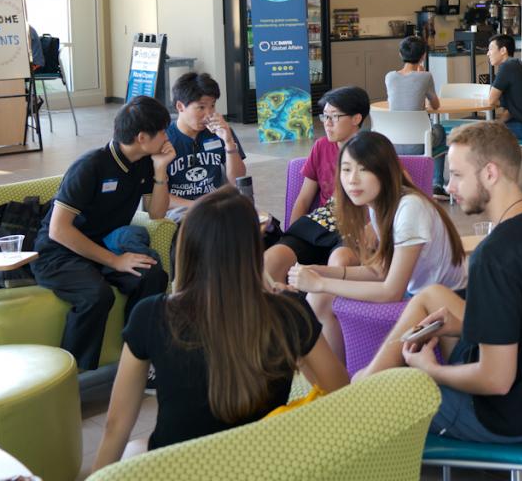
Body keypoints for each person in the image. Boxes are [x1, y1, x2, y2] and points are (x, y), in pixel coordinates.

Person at [354, 122, 522, 445]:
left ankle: (355, 403)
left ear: (490, 173)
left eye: (457, 175)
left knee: (376, 394)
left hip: (502, 418)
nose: (448, 186)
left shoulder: (493, 257)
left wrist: (429, 370)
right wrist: (462, 326)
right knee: (434, 301)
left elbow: (495, 379)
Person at [91, 187, 348, 470]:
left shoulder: (151, 314)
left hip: (181, 469)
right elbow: (339, 394)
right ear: (253, 252)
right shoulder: (289, 311)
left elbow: (116, 426)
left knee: (133, 450)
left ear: (186, 247)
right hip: (261, 467)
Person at [288, 131, 467, 365]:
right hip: (415, 293)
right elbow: (381, 270)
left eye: (363, 169)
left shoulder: (409, 208)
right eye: (346, 169)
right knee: (318, 296)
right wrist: (320, 271)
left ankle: (340, 381)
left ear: (384, 171)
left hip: (443, 305)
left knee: (319, 293)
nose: (352, 179)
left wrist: (320, 282)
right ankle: (339, 378)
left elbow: (391, 290)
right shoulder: (381, 205)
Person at [31, 95, 174, 371]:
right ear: (142, 137)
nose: (167, 136)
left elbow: (157, 213)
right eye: (163, 131)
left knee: (153, 275)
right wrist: (115, 261)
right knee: (96, 296)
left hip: (102, 246)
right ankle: (70, 375)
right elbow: (59, 230)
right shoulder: (90, 167)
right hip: (58, 253)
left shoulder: (145, 161)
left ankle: (137, 360)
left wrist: (160, 170)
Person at [264, 85, 370, 283]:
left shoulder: (374, 149)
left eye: (334, 117)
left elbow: (400, 192)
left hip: (353, 230)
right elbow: (304, 199)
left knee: (339, 261)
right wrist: (292, 234)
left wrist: (373, 231)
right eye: (324, 116)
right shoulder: (321, 146)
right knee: (272, 259)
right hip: (320, 225)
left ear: (356, 118)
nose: (327, 124)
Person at [163, 72, 246, 221]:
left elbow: (237, 180)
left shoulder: (221, 132)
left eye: (212, 105)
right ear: (180, 106)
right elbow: (157, 196)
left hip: (216, 206)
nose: (208, 114)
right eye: (201, 107)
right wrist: (198, 205)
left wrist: (228, 142)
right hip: (180, 210)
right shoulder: (163, 138)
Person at [385, 35, 448, 199]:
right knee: (440, 130)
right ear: (423, 56)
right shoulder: (425, 76)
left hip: (393, 143)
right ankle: (436, 184)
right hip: (418, 144)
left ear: (400, 54)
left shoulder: (390, 77)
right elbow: (435, 105)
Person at [487, 34, 522, 142]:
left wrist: (493, 125)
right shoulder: (517, 64)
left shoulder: (507, 67)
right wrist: (497, 123)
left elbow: (491, 100)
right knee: (491, 127)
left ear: (503, 50)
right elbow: (511, 111)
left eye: (491, 49)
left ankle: (494, 159)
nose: (488, 53)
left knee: (484, 132)